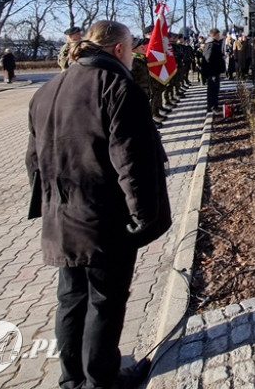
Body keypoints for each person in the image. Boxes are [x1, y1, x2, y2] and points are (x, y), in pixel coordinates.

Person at [26, 20, 171, 389]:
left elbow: (33, 160)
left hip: (62, 216)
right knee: (103, 301)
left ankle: (72, 377)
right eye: (131, 48)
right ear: (119, 49)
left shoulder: (47, 89)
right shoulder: (116, 86)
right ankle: (101, 380)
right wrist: (142, 215)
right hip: (103, 218)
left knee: (72, 299)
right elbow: (131, 160)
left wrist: (50, 203)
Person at [201, 28, 225, 113]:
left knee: (214, 89)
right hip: (213, 71)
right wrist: (219, 60)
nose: (219, 37)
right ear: (214, 35)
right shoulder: (211, 44)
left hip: (214, 71)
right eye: (218, 35)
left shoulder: (214, 43)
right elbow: (208, 59)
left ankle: (213, 105)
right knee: (213, 90)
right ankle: (212, 107)